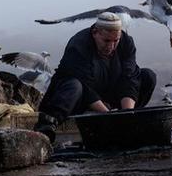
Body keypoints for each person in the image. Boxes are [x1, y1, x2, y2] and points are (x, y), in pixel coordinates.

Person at [34, 12, 156, 142]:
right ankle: (47, 127)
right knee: (74, 86)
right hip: (78, 100)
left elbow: (129, 77)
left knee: (148, 76)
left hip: (110, 95)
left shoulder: (126, 43)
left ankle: (130, 123)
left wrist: (126, 116)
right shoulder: (79, 45)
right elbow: (86, 89)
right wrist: (109, 116)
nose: (111, 46)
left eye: (116, 41)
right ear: (95, 33)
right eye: (106, 41)